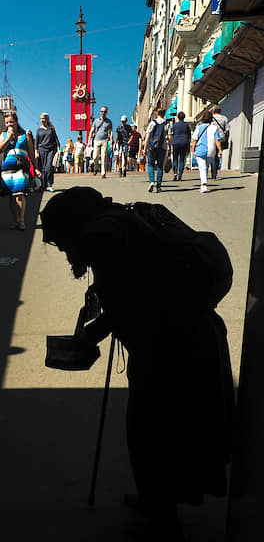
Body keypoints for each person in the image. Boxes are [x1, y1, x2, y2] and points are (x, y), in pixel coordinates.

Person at [40, 186, 235, 542]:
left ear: (73, 224)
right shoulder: (123, 219)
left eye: (61, 240)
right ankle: (157, 501)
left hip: (170, 346)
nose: (64, 249)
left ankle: (162, 519)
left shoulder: (103, 237)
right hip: (190, 334)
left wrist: (87, 336)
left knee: (151, 433)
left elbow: (126, 305)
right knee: (169, 429)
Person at [0, 112, 41, 230]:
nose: (9, 125)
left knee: (20, 193)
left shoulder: (25, 135)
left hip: (21, 166)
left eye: (11, 122)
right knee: (11, 195)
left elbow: (31, 153)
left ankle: (21, 220)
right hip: (7, 167)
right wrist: (9, 138)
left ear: (16, 122)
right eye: (6, 123)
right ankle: (15, 219)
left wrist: (36, 168)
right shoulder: (3, 135)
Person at [191, 110, 222, 193]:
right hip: (211, 152)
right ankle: (204, 183)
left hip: (200, 151)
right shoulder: (214, 128)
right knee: (206, 167)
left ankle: (204, 184)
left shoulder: (198, 127)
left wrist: (193, 150)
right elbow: (217, 140)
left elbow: (194, 140)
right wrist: (220, 150)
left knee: (202, 168)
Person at [143, 108, 171, 193]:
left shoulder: (152, 123)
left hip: (152, 146)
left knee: (150, 165)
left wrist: (145, 148)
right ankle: (158, 186)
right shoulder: (167, 124)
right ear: (164, 113)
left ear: (157, 113)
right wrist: (169, 147)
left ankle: (151, 182)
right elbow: (170, 137)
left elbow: (147, 136)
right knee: (160, 166)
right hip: (162, 147)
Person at [35, 112, 60, 192]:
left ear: (47, 119)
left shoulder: (51, 129)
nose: (42, 120)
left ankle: (49, 184)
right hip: (41, 149)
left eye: (43, 118)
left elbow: (56, 139)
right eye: (41, 118)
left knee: (49, 167)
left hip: (51, 150)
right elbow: (37, 141)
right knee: (42, 168)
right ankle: (43, 185)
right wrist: (36, 151)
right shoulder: (39, 130)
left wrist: (58, 149)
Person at [88, 106, 113, 178]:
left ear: (106, 112)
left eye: (104, 111)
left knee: (104, 156)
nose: (103, 113)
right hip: (96, 140)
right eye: (101, 111)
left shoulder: (109, 122)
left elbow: (111, 132)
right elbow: (91, 131)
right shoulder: (96, 121)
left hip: (104, 140)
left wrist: (111, 142)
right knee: (95, 156)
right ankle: (96, 168)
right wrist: (89, 141)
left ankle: (103, 173)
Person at [168, 111, 191, 181]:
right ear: (184, 117)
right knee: (182, 159)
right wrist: (188, 145)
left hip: (175, 142)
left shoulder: (174, 125)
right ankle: (180, 175)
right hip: (184, 142)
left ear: (178, 117)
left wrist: (171, 143)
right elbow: (189, 136)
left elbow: (171, 134)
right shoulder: (186, 125)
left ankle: (175, 173)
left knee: (175, 158)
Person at [211, 105, 229, 179]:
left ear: (213, 111)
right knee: (218, 154)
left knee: (213, 155)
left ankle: (213, 172)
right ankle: (216, 170)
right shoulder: (224, 118)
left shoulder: (211, 118)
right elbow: (227, 130)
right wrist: (226, 139)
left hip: (212, 138)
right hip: (221, 138)